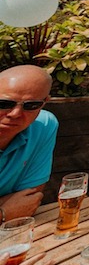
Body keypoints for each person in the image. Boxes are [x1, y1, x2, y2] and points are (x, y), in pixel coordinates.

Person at [0, 66, 58, 222]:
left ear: (44, 103)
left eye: (31, 106)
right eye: (4, 104)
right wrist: (3, 213)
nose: (15, 114)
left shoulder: (44, 125)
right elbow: (14, 209)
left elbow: (28, 200)